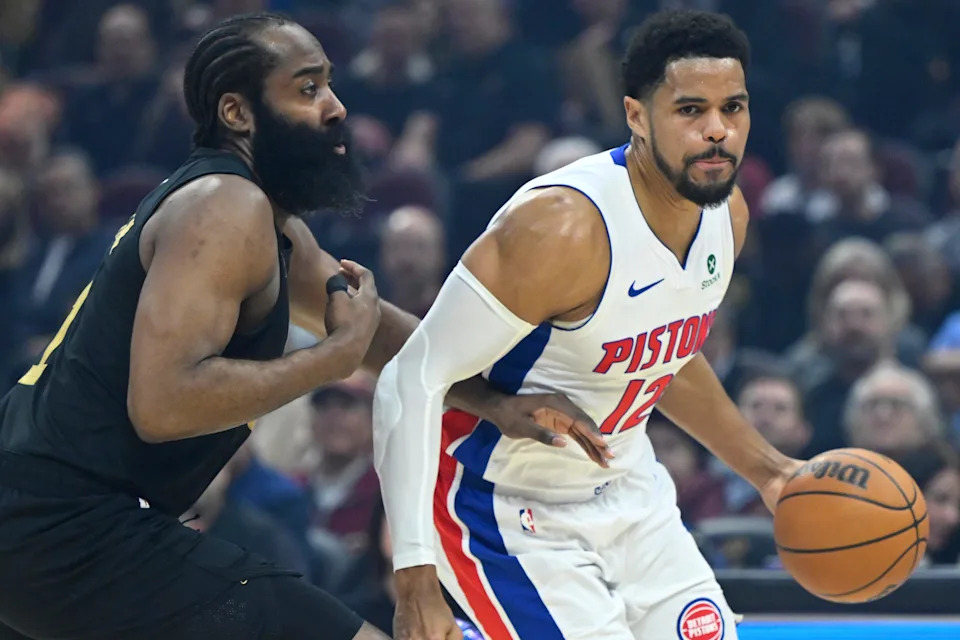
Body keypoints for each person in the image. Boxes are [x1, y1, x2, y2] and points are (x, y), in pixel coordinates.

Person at [0, 12, 600, 640]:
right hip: (63, 523)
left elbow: (375, 334)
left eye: (330, 84)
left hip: (56, 517)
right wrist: (329, 361)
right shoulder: (224, 208)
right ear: (237, 113)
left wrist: (494, 401)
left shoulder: (265, 221)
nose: (337, 107)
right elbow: (163, 405)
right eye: (308, 88)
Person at [374, 10, 804, 640]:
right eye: (690, 110)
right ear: (636, 116)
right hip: (503, 510)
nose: (718, 130)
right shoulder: (560, 227)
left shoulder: (727, 211)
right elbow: (409, 380)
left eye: (732, 108)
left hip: (632, 491)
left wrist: (770, 471)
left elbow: (665, 357)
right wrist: (415, 580)